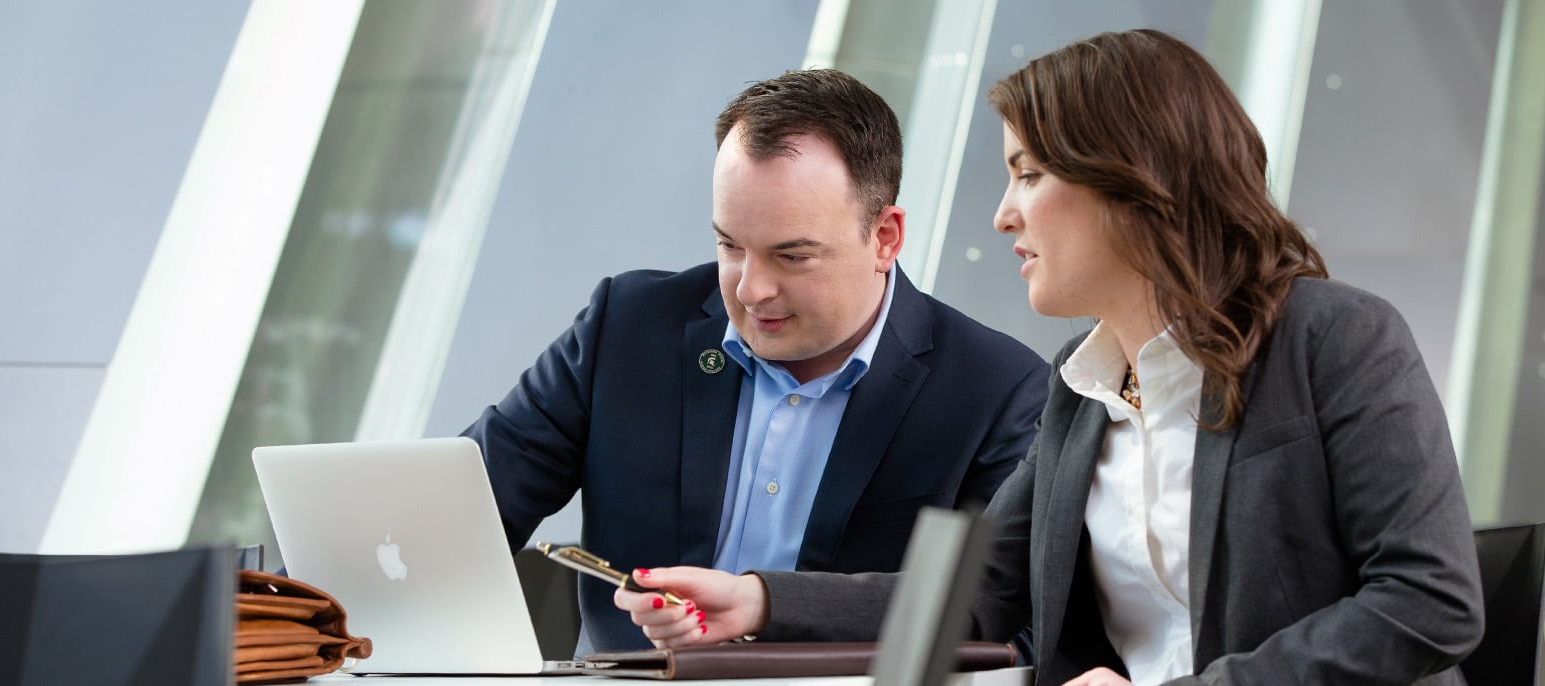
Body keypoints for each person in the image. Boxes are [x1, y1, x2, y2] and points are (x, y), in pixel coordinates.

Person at [613, 30, 1485, 685]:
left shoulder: (1335, 339)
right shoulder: (1080, 388)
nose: (1003, 214)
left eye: (1028, 173)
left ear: (1132, 182)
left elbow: (1430, 600)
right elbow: (982, 593)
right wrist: (758, 600)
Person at [461, 68, 1050, 652]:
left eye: (791, 257)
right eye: (730, 246)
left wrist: (773, 606)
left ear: (884, 238)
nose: (750, 290)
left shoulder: (997, 392)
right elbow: (462, 507)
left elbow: (1008, 625)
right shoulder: (626, 327)